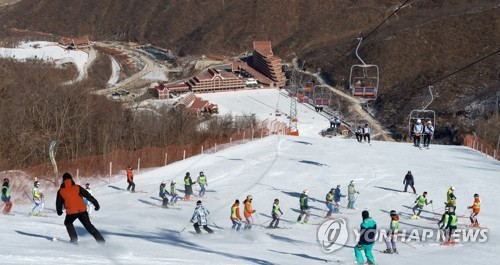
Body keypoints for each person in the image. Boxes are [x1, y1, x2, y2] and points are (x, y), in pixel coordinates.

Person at [56, 173, 105, 245]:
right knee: (89, 226)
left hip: (71, 212)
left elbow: (58, 202)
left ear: (63, 180)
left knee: (68, 223)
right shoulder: (77, 187)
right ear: (71, 179)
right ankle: (102, 242)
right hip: (82, 210)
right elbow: (87, 195)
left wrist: (59, 211)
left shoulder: (61, 191)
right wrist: (96, 203)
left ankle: (74, 240)